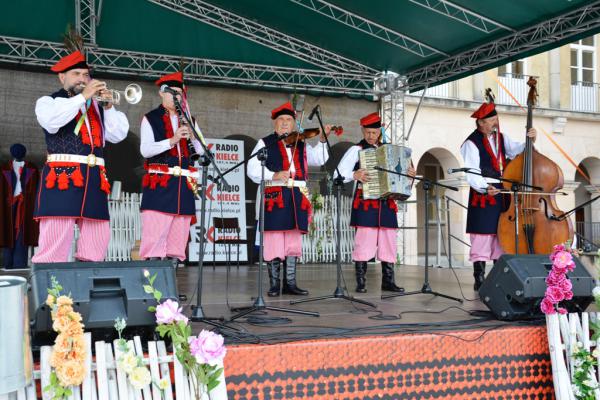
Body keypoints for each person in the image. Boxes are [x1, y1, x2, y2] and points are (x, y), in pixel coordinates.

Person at [32, 50, 129, 263]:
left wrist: (109, 106)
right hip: (62, 176)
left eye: (86, 75)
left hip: (94, 177)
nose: (82, 79)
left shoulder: (97, 107)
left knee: (97, 236)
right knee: (56, 237)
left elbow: (118, 135)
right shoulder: (48, 101)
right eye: (76, 74)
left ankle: (88, 286)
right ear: (62, 77)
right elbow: (52, 121)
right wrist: (83, 96)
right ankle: (51, 292)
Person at [247, 101, 331, 296]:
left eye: (289, 120)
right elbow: (251, 169)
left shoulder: (300, 143)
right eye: (281, 120)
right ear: (275, 123)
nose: (285, 123)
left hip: (296, 195)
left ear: (294, 123)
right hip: (276, 195)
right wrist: (273, 175)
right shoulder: (265, 142)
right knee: (275, 239)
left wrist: (323, 141)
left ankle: (290, 283)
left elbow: (319, 159)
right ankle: (275, 284)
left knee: (293, 241)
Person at [336, 112, 415, 293]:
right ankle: (361, 282)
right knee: (364, 241)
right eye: (367, 132)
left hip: (386, 203)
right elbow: (338, 175)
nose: (371, 136)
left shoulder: (390, 150)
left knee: (389, 241)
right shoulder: (356, 150)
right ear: (363, 131)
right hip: (365, 202)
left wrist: (410, 175)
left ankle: (388, 281)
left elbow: (401, 178)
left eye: (374, 132)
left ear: (380, 131)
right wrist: (354, 175)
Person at [460, 101, 536, 290]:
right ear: (480, 123)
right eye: (491, 120)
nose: (495, 123)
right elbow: (472, 172)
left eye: (496, 119)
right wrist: (485, 188)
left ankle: (497, 279)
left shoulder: (501, 137)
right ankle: (479, 280)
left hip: (502, 193)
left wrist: (530, 140)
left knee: (500, 235)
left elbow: (517, 150)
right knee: (483, 236)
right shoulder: (471, 143)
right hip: (484, 193)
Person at [139, 72, 202, 264]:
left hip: (183, 185)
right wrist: (172, 140)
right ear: (161, 93)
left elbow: (201, 153)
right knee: (155, 238)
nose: (176, 97)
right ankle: (155, 291)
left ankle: (171, 289)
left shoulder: (189, 119)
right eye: (172, 92)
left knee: (178, 241)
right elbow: (146, 150)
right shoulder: (151, 118)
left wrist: (192, 136)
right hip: (160, 184)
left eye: (179, 93)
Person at [0, 144, 39, 269]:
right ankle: (7, 263)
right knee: (8, 232)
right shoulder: (4, 169)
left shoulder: (32, 169)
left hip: (26, 206)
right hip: (8, 206)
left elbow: (36, 189)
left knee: (22, 234)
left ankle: (19, 264)